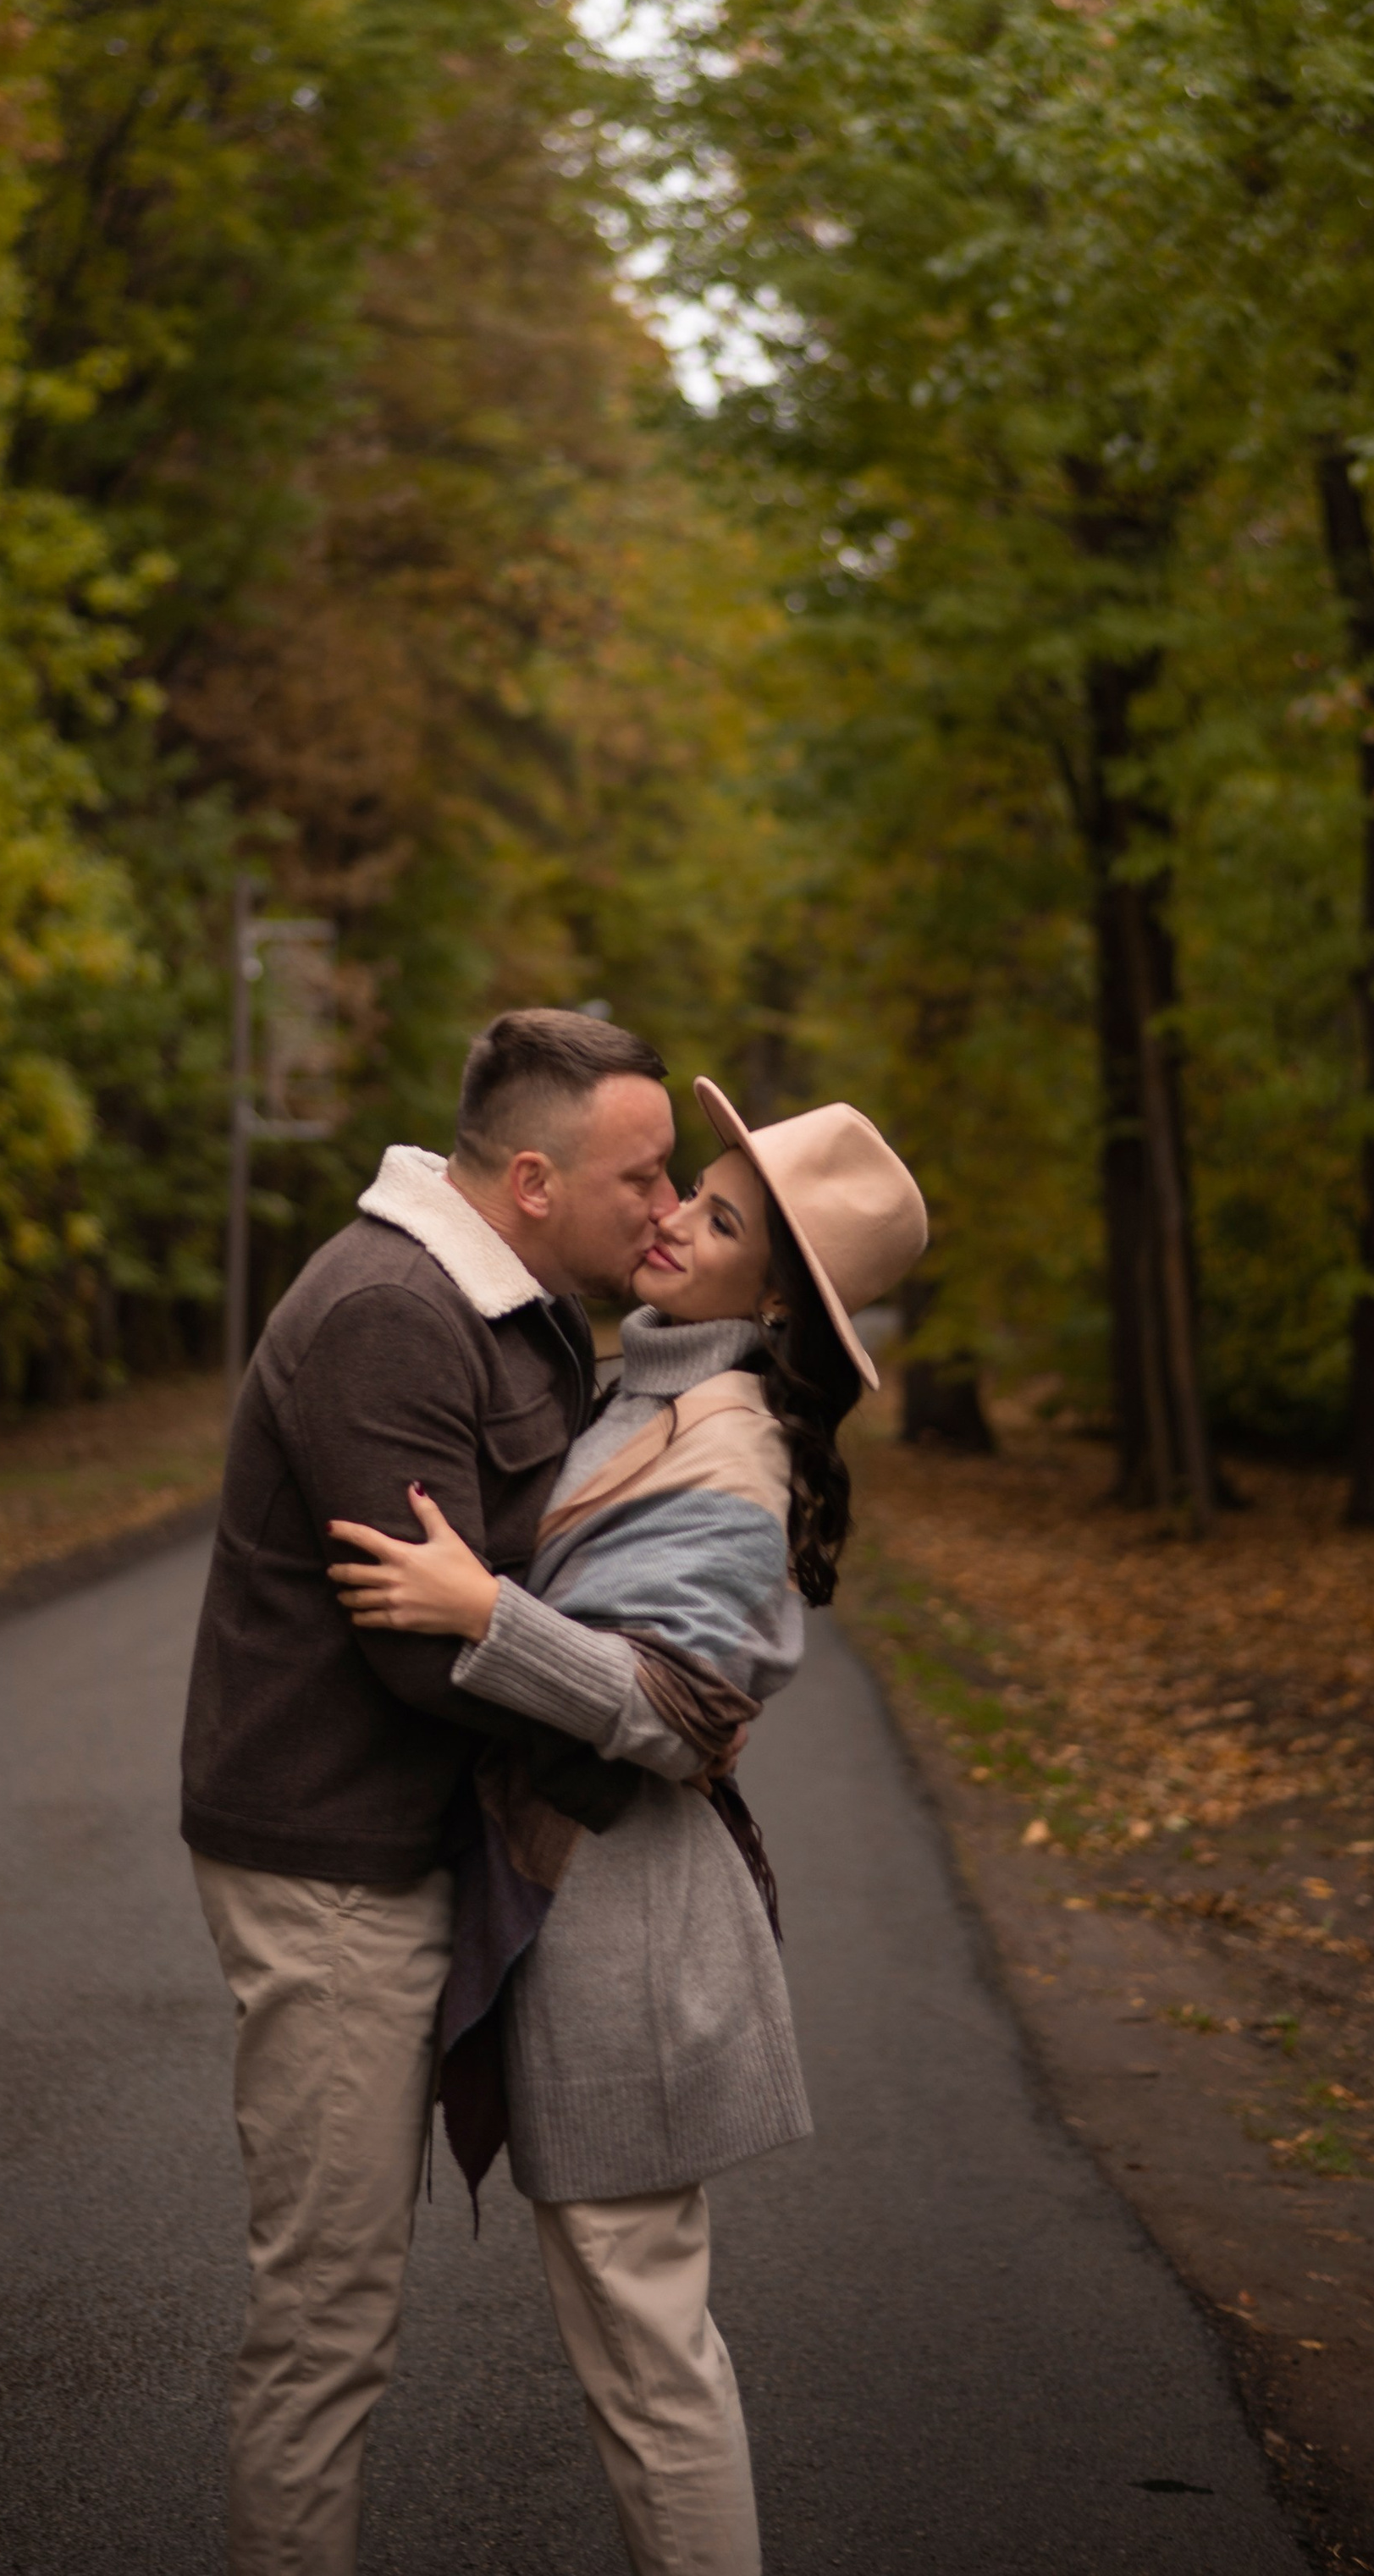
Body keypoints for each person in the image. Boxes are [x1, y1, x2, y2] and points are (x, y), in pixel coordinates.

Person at [330, 1078, 928, 2576]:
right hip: (592, 1922)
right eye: (685, 1193)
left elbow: (683, 1709)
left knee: (653, 2372)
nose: (666, 1222)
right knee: (643, 2356)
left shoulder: (727, 1447)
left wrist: (485, 1613)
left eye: (715, 1222)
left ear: (776, 1305)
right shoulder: (642, 1390)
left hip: (636, 1951)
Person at [180, 1007, 680, 2576]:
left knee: (347, 2307)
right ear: (533, 1181)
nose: (667, 1208)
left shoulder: (518, 1303)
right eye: (643, 1179)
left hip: (418, 1845)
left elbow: (528, 1565)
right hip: (335, 1862)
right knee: (327, 2316)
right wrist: (644, 1714)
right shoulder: (391, 1315)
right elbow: (424, 1654)